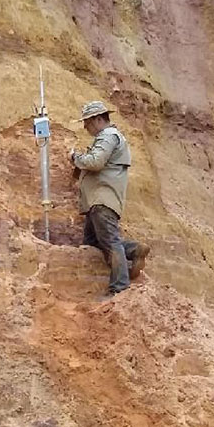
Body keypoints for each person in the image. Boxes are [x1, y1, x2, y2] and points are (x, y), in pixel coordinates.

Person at [70, 101, 150, 295]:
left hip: (102, 199)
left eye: (87, 122)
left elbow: (96, 162)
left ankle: (119, 287)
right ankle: (133, 250)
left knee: (111, 242)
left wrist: (75, 157)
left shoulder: (108, 136)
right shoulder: (111, 138)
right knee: (93, 243)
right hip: (97, 201)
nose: (85, 127)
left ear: (98, 119)